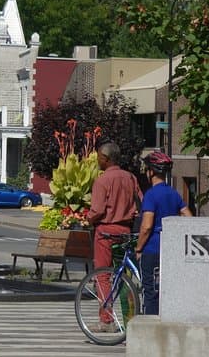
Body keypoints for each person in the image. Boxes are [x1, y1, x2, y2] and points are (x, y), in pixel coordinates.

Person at [86, 141, 142, 333]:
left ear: (106, 158)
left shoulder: (102, 181)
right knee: (124, 276)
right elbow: (140, 203)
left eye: (99, 157)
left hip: (105, 231)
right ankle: (129, 320)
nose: (97, 160)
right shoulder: (131, 178)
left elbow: (98, 210)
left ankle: (106, 320)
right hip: (125, 231)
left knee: (102, 275)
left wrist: (88, 218)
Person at [135, 151, 191, 315]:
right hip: (170, 250)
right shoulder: (173, 193)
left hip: (152, 249)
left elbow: (146, 226)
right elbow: (188, 216)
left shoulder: (151, 195)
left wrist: (139, 248)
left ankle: (151, 327)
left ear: (151, 171)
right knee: (165, 291)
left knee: (150, 291)